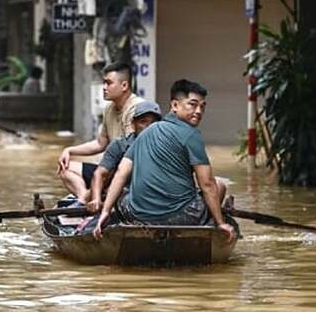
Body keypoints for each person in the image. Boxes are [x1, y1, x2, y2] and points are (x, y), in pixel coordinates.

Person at [93, 79, 236, 244]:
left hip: (137, 217)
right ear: (174, 105)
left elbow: (120, 173)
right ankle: (209, 229)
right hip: (183, 217)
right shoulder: (192, 134)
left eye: (202, 106)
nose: (198, 111)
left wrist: (105, 211)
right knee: (220, 185)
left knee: (123, 194)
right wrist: (221, 223)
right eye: (193, 105)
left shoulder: (145, 133)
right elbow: (207, 184)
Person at [57, 62, 143, 203]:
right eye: (103, 83)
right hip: (109, 169)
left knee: (104, 179)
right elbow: (100, 143)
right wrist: (69, 150)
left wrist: (98, 182)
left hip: (128, 173)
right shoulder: (109, 108)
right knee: (65, 168)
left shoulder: (136, 109)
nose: (103, 88)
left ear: (124, 86)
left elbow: (129, 156)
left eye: (108, 83)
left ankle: (91, 197)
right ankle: (84, 197)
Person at [85, 100, 162, 214]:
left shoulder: (166, 145)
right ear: (133, 124)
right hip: (125, 194)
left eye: (153, 123)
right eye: (143, 122)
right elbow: (99, 174)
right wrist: (96, 199)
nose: (148, 127)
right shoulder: (120, 145)